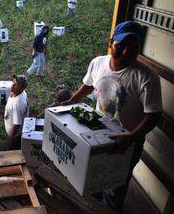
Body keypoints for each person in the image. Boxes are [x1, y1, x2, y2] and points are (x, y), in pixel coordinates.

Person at [62, 21, 162, 212]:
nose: (126, 52)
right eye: (120, 46)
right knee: (93, 178)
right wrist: (72, 101)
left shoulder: (146, 77)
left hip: (127, 143)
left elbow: (154, 115)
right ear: (111, 43)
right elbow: (89, 85)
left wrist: (132, 137)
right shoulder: (98, 63)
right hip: (97, 132)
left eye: (133, 48)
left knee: (115, 189)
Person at [4, 75, 29, 149]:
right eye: (13, 82)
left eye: (16, 84)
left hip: (16, 135)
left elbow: (17, 124)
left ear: (22, 88)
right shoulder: (20, 92)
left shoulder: (17, 104)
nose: (12, 85)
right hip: (13, 124)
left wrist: (11, 138)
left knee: (12, 150)